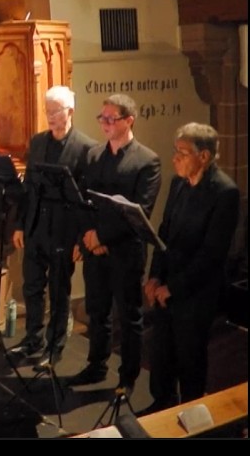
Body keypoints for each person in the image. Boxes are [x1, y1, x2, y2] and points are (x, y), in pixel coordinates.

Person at [141, 123, 239, 414]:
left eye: (183, 153)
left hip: (195, 293)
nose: (175, 158)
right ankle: (162, 405)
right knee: (161, 355)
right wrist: (155, 275)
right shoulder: (178, 184)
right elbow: (163, 232)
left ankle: (191, 414)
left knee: (190, 359)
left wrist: (174, 287)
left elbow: (212, 255)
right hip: (166, 284)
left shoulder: (225, 193)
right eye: (176, 151)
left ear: (204, 156)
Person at [68, 94, 161, 392]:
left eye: (111, 118)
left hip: (125, 251)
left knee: (130, 316)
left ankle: (128, 376)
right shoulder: (94, 155)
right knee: (97, 311)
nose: (105, 123)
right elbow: (83, 202)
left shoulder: (147, 160)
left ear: (129, 120)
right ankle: (96, 365)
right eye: (102, 118)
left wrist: (102, 237)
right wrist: (89, 237)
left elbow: (140, 211)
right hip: (95, 249)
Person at [8, 86, 94, 365]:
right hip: (35, 226)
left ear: (70, 111)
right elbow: (29, 189)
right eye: (47, 111)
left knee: (59, 290)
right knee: (32, 287)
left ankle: (54, 345)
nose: (50, 117)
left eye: (55, 111)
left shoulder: (85, 148)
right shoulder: (38, 141)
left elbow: (86, 200)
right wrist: (20, 225)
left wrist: (81, 240)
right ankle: (32, 337)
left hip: (64, 230)